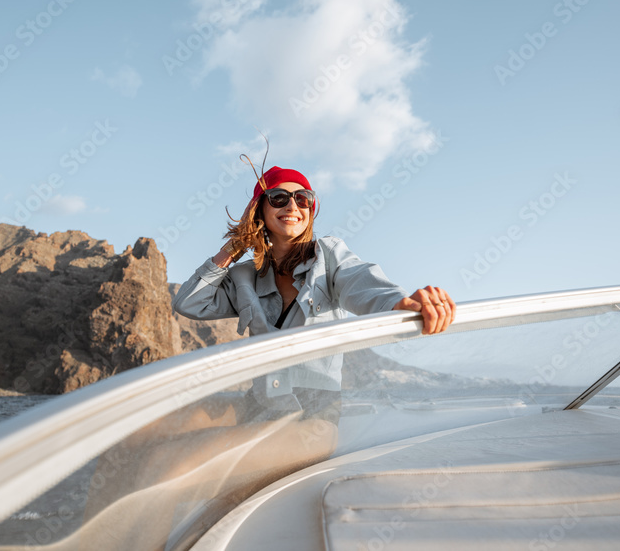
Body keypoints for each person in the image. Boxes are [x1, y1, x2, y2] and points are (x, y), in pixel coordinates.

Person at [172, 164, 456, 422]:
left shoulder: (329, 257)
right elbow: (189, 302)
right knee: (172, 426)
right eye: (279, 198)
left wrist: (400, 303)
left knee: (198, 465)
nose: (293, 205)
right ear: (259, 209)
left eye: (303, 198)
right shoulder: (244, 276)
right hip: (258, 404)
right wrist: (234, 247)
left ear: (310, 209)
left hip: (315, 415)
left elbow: (362, 281)